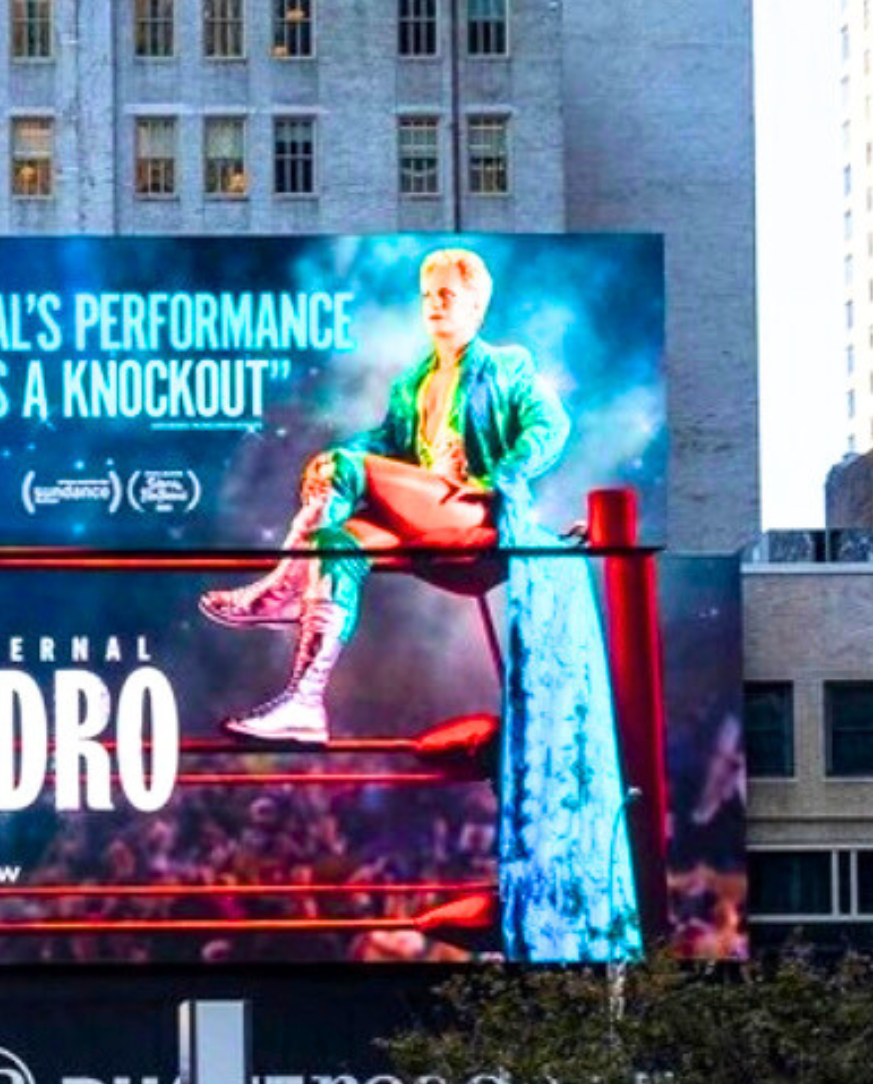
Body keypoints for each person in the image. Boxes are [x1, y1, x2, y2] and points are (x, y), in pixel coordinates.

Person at [199, 245, 639, 961]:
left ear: (476, 304)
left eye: (448, 293)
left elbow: (549, 429)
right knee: (339, 540)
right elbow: (388, 446)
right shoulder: (413, 384)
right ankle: (304, 700)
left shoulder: (507, 366)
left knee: (345, 469)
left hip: (477, 519)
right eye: (428, 292)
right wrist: (339, 454)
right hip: (426, 523)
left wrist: (500, 475)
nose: (435, 303)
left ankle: (279, 586)